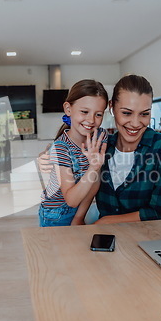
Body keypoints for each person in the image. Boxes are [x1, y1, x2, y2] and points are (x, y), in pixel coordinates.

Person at [39, 74, 161, 225]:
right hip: (93, 231)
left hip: (145, 234)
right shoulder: (103, 146)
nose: (135, 123)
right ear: (112, 108)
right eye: (126, 113)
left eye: (144, 113)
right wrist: (49, 154)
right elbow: (87, 177)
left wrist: (104, 221)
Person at [39, 79, 109, 227]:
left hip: (80, 208)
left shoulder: (100, 136)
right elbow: (71, 200)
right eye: (84, 112)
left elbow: (95, 182)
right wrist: (93, 167)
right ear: (68, 109)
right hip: (56, 213)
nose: (91, 120)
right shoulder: (61, 148)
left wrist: (79, 217)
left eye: (98, 114)